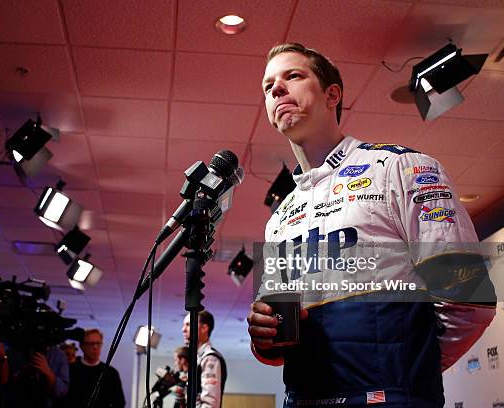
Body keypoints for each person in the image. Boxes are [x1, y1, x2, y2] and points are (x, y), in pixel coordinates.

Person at [246, 42, 497, 408]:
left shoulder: (402, 169)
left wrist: (407, 377)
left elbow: (469, 302)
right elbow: (280, 344)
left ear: (332, 94)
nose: (277, 89)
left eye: (293, 76)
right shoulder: (279, 218)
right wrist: (264, 338)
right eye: (268, 87)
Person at [65, 328, 125, 407]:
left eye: (98, 343)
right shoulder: (71, 369)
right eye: (91, 343)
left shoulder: (110, 373)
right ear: (82, 346)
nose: (95, 347)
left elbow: (119, 402)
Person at [182, 311, 227, 408]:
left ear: (204, 328)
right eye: (184, 325)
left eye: (188, 325)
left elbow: (210, 405)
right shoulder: (199, 358)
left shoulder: (210, 358)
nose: (183, 329)